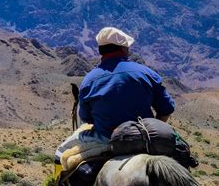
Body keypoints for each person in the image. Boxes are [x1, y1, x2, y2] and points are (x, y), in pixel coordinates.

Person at [55, 27, 175, 168]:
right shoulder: (147, 74)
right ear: (123, 49)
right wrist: (152, 129)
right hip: (144, 137)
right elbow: (166, 109)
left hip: (106, 138)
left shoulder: (89, 81)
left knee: (60, 153)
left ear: (101, 50)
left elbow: (86, 118)